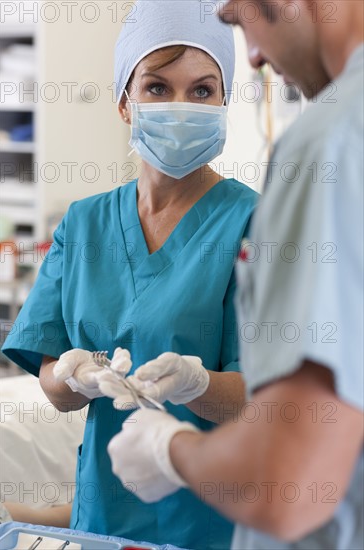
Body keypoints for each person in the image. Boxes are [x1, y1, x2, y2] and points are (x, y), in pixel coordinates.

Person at [103, 0, 364, 549]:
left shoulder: (329, 143)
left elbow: (287, 483)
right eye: (156, 86)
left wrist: (167, 450)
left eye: (244, 19)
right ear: (123, 101)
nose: (255, 55)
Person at [2, 1, 258, 548]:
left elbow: (262, 397)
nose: (181, 106)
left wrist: (198, 385)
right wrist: (74, 375)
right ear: (125, 101)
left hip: (212, 522)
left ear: (224, 101)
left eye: (203, 90)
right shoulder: (85, 221)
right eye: (158, 88)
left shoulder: (254, 223)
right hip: (101, 519)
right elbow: (52, 381)